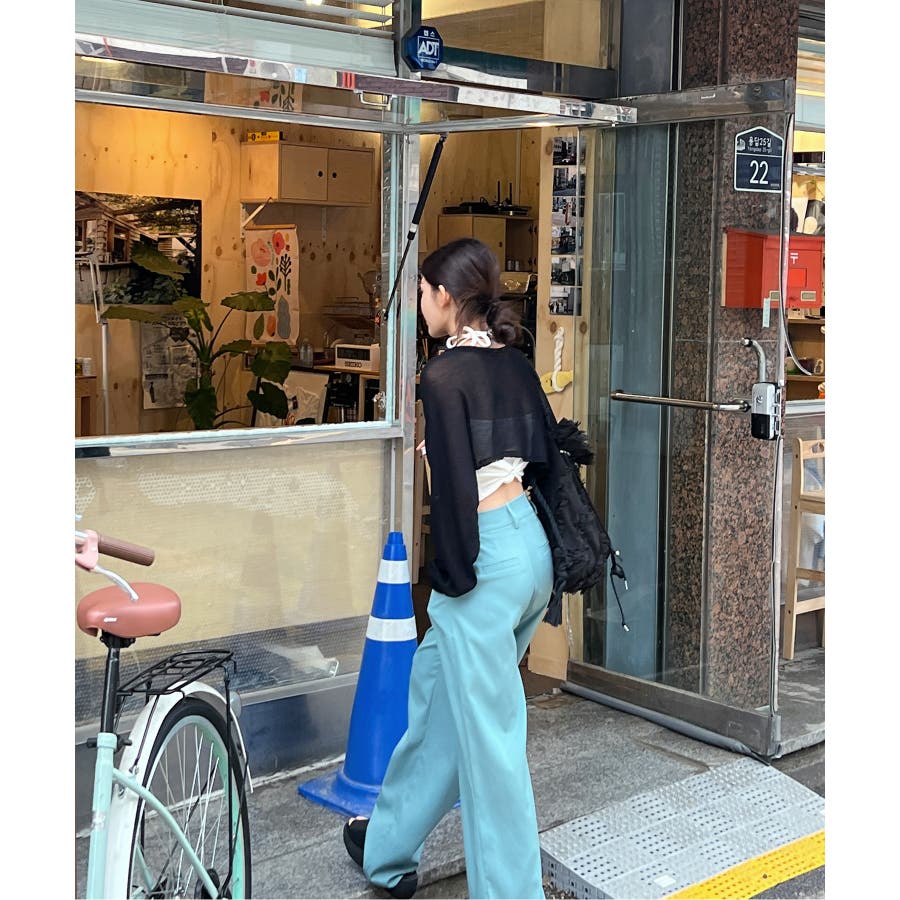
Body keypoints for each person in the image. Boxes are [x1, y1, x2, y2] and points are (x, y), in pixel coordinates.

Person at [342, 238, 559, 899]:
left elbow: (455, 494)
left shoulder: (442, 377)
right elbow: (550, 458)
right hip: (528, 546)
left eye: (421, 293)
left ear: (443, 296)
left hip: (483, 558)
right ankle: (387, 849)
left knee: (492, 747)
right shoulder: (514, 363)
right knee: (438, 706)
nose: (418, 304)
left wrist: (452, 578)